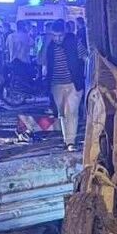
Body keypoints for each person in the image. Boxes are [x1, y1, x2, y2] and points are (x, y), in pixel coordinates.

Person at [42, 20, 84, 152]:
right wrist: (45, 44)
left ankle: (71, 142)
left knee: (72, 112)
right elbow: (40, 60)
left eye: (60, 35)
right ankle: (67, 140)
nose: (57, 39)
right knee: (62, 114)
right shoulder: (49, 46)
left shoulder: (74, 41)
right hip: (56, 84)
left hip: (73, 83)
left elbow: (85, 56)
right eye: (54, 35)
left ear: (64, 33)